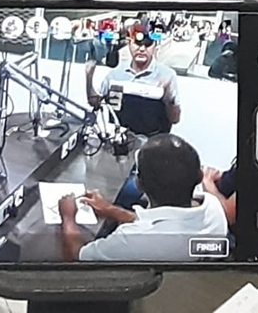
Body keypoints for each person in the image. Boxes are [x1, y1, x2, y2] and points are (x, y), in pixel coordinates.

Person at [58, 134, 227, 261]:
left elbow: (77, 257)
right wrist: (111, 210)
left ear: (139, 183)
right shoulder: (214, 209)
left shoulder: (133, 240)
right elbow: (161, 223)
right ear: (199, 176)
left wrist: (68, 217)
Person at [85, 26, 181, 136]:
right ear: (129, 44)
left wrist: (169, 100)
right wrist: (89, 77)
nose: (142, 49)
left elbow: (175, 119)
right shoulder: (115, 75)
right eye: (137, 44)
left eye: (147, 45)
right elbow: (95, 103)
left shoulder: (167, 75)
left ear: (155, 47)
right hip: (119, 139)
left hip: (151, 142)